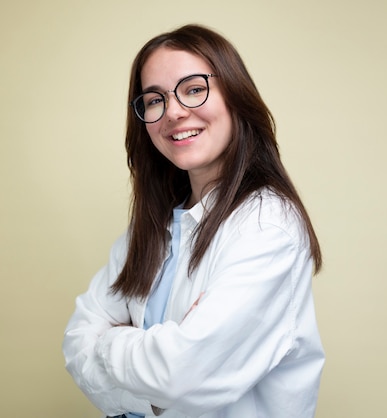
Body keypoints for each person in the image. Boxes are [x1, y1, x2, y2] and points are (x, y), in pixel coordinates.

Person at [63, 24, 325, 418]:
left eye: (193, 88)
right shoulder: (152, 227)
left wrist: (107, 345)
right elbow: (75, 343)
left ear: (235, 95)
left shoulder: (266, 227)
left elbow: (180, 374)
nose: (173, 112)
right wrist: (152, 375)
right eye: (154, 100)